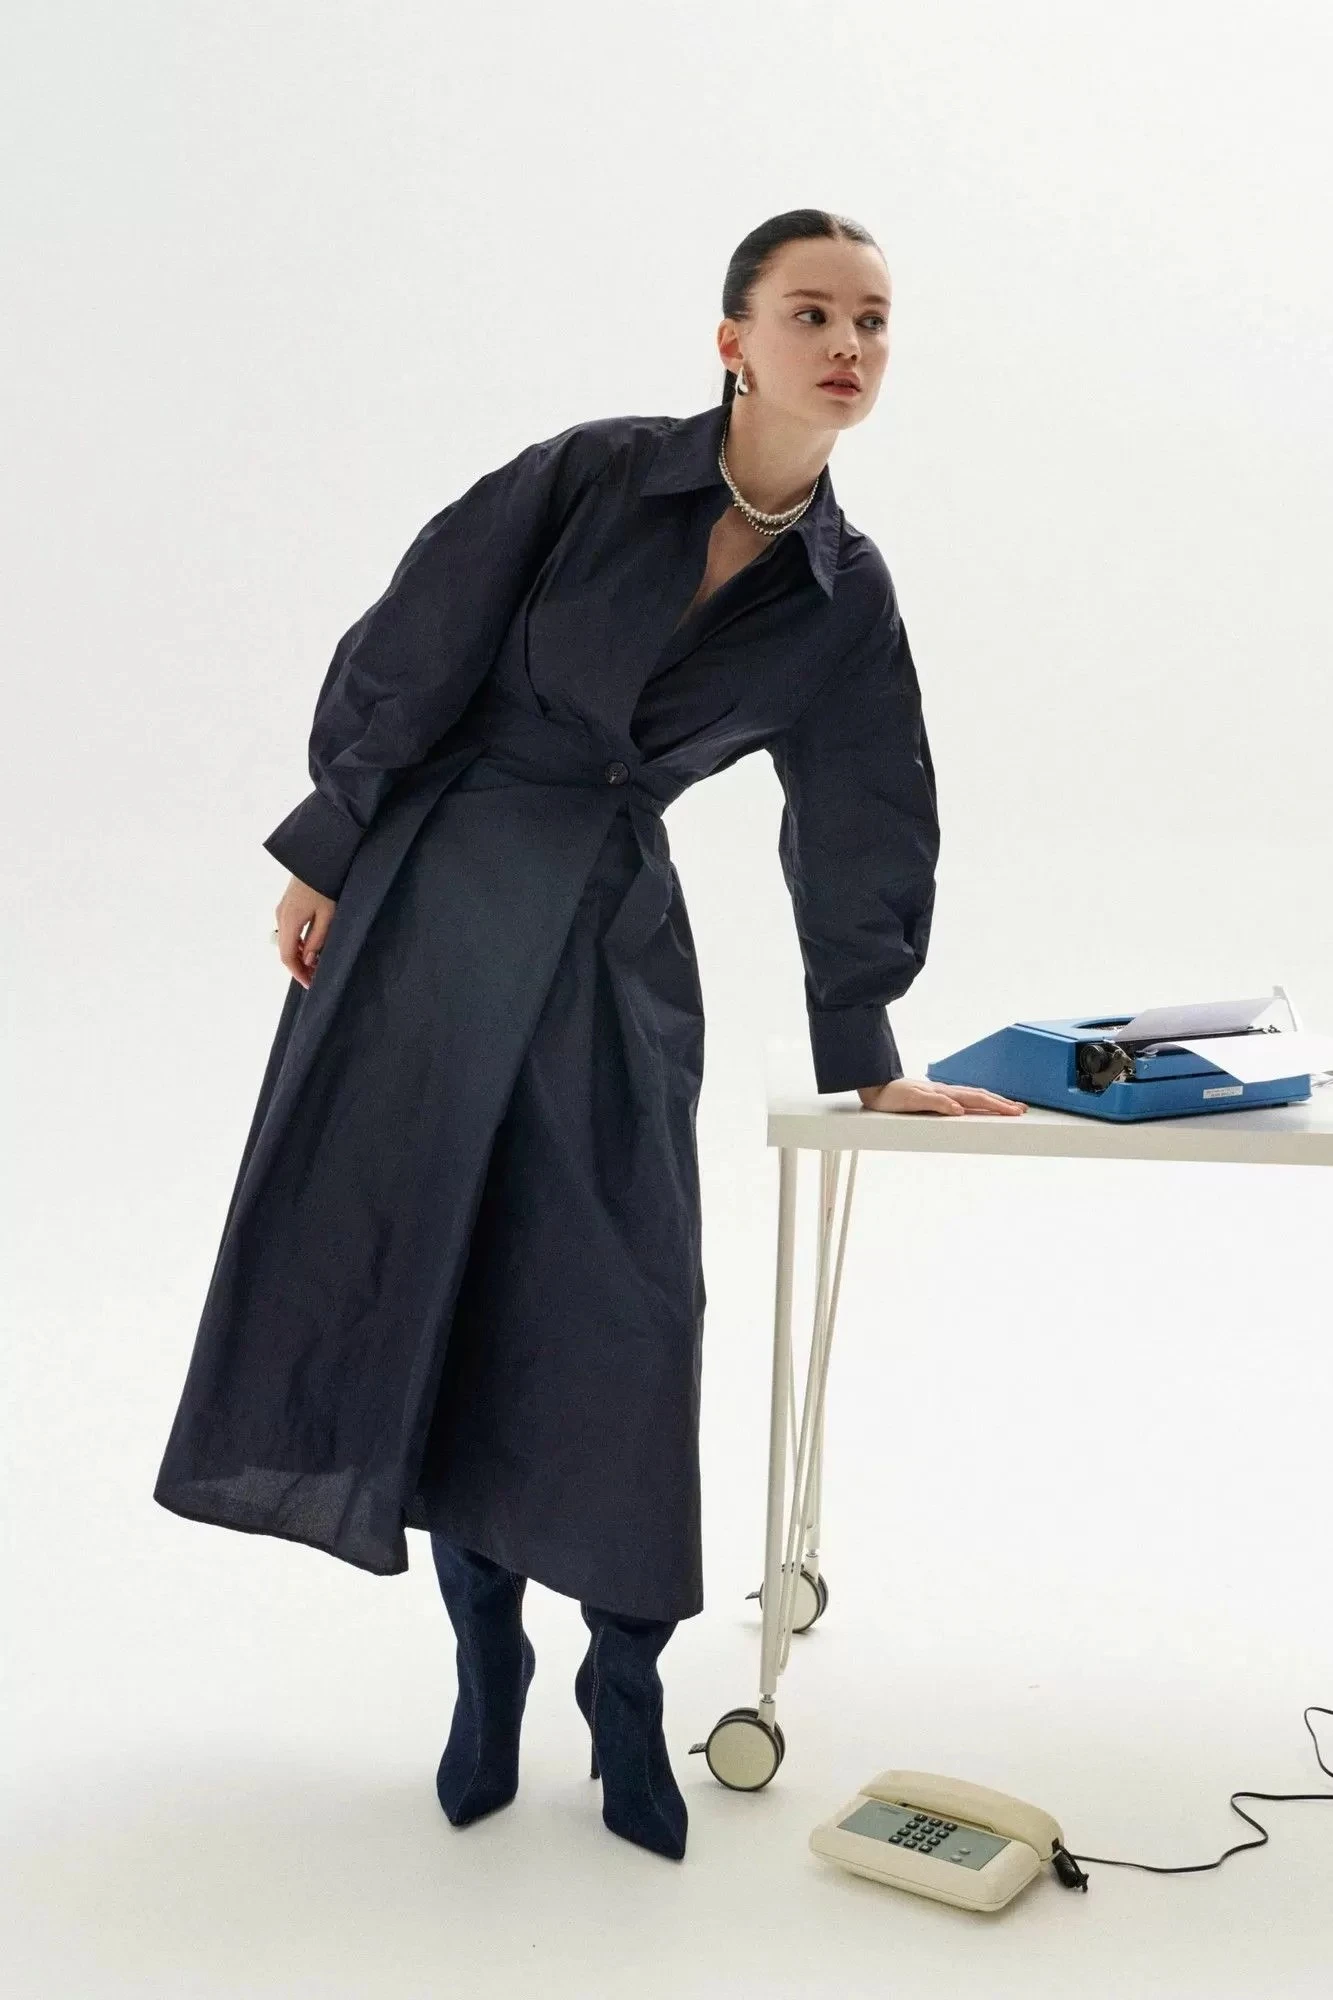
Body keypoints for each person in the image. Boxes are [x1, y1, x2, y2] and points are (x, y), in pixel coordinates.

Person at [153, 207, 1026, 1865]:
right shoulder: (591, 475)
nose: (849, 345)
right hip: (433, 907)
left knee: (627, 1304)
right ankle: (485, 1668)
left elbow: (865, 804)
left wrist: (866, 1044)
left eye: (874, 321)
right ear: (734, 339)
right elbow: (418, 639)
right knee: (447, 1276)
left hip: (612, 937)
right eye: (813, 312)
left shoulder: (845, 593)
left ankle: (625, 1684)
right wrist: (329, 844)